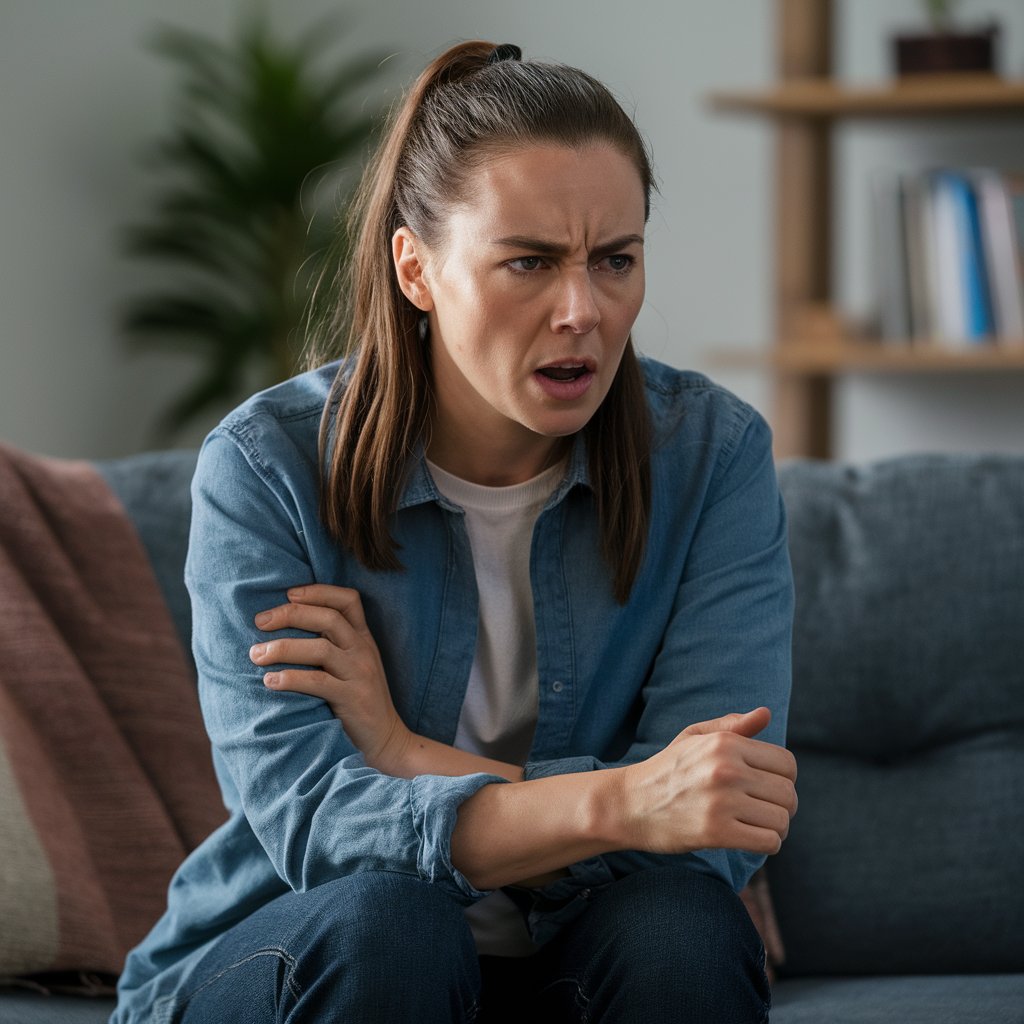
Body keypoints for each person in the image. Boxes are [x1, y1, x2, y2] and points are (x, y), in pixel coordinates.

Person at [111, 39, 797, 1024]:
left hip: (568, 961)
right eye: (529, 262)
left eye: (615, 260)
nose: (582, 311)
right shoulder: (267, 467)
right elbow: (317, 827)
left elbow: (711, 825)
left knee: (684, 924)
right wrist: (620, 799)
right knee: (393, 924)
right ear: (416, 269)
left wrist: (400, 749)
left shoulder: (713, 457)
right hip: (314, 953)